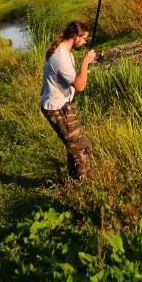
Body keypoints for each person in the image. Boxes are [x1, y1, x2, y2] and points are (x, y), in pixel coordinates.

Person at [40, 20, 96, 180]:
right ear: (75, 36)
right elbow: (79, 86)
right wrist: (85, 62)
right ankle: (84, 185)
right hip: (57, 108)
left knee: (74, 146)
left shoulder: (64, 52)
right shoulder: (61, 57)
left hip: (60, 105)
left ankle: (74, 181)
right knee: (81, 147)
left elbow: (75, 81)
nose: (85, 42)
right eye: (84, 38)